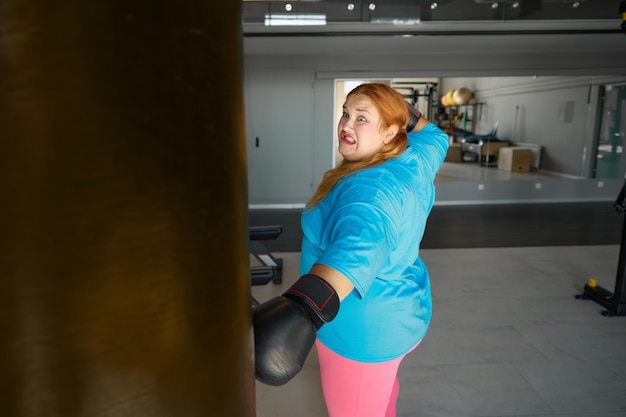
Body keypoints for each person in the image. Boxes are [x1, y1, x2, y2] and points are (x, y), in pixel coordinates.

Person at [253, 82, 449, 417]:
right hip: (403, 315)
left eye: (362, 118)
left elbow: (357, 249)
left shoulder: (370, 190)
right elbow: (436, 135)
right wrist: (395, 109)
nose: (346, 124)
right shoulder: (415, 155)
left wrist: (302, 309)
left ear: (389, 131)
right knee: (382, 395)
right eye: (346, 112)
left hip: (363, 335)